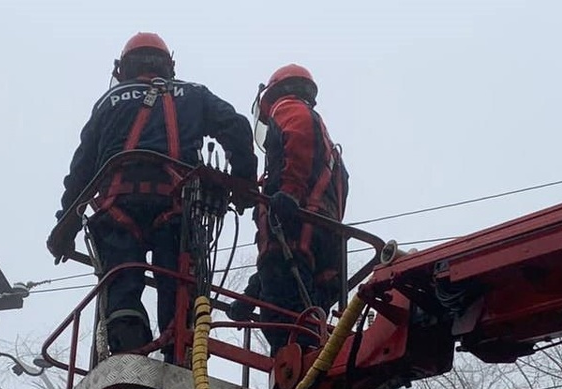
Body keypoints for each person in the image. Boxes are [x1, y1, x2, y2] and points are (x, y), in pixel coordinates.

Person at [47, 32, 258, 360]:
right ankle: (180, 356)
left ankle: (129, 352)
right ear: (169, 65)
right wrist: (244, 183)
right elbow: (237, 128)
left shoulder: (108, 101)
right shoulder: (194, 94)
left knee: (121, 285)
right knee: (179, 291)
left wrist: (66, 226)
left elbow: (81, 170)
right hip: (176, 209)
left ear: (123, 69)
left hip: (119, 209)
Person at [227, 64, 349, 354]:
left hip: (296, 237)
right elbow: (278, 269)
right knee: (301, 316)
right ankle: (303, 376)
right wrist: (252, 295)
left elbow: (298, 140)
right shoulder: (332, 153)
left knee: (284, 324)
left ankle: (295, 382)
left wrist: (289, 193)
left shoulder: (288, 108)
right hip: (321, 250)